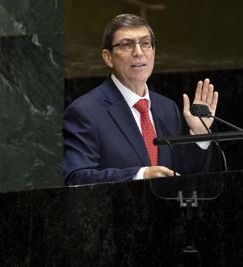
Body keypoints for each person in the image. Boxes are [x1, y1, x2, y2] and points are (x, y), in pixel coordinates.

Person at [63, 14, 218, 185]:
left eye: (145, 44)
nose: (138, 53)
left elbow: (182, 175)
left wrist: (199, 135)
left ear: (153, 53)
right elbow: (77, 178)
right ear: (108, 57)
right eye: (126, 45)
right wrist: (140, 175)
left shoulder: (167, 108)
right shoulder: (85, 112)